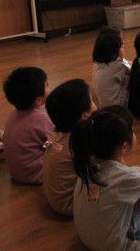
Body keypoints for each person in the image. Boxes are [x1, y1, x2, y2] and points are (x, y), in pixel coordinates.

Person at [71, 105, 140, 251]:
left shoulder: (88, 163)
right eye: (132, 130)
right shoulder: (124, 177)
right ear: (124, 147)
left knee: (139, 181)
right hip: (116, 247)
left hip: (89, 239)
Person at [43, 79, 97, 216]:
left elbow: (46, 147)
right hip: (70, 205)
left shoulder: (57, 131)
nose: (94, 103)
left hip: (55, 199)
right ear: (84, 116)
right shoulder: (79, 140)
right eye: (91, 100)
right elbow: (98, 166)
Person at [2, 66, 54, 184]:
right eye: (47, 86)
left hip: (16, 173)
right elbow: (52, 142)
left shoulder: (13, 114)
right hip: (38, 174)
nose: (49, 88)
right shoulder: (40, 119)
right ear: (38, 101)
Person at [92, 26, 131, 108]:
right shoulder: (119, 65)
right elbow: (133, 69)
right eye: (121, 45)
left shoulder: (98, 63)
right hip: (119, 107)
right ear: (113, 51)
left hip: (104, 105)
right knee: (131, 78)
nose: (123, 43)